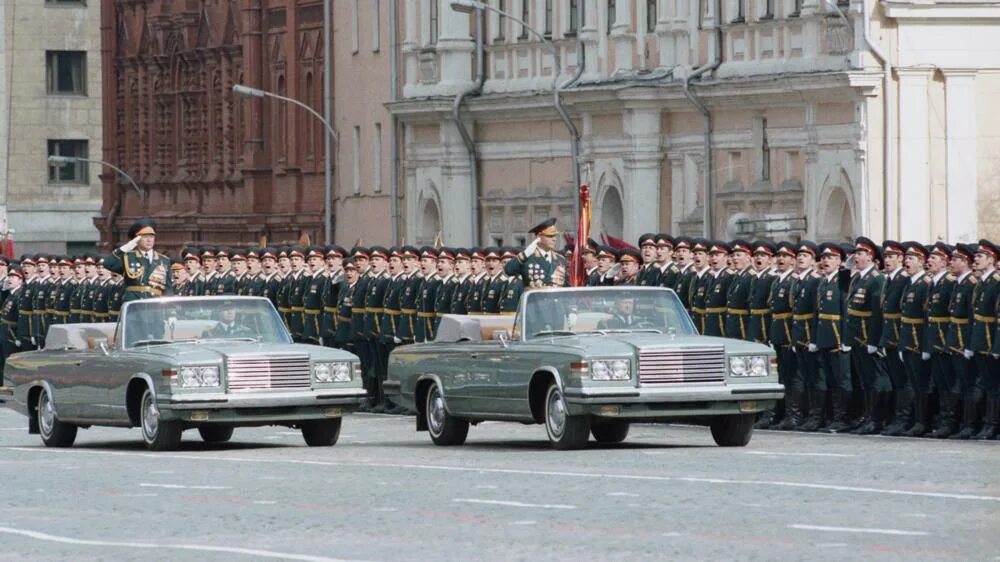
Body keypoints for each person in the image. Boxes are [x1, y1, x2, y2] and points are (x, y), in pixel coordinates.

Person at [845, 237, 889, 435]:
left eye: (861, 253)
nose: (856, 257)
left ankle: (877, 418)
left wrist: (874, 341)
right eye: (856, 253)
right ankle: (868, 415)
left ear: (870, 256)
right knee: (864, 379)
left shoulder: (877, 279)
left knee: (875, 378)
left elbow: (877, 314)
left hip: (867, 338)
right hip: (856, 338)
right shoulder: (858, 278)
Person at [814, 243, 853, 433]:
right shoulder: (824, 281)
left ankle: (844, 418)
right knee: (829, 380)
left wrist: (846, 339)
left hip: (838, 337)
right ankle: (832, 416)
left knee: (842, 380)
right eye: (823, 258)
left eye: (830, 258)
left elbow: (845, 311)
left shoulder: (842, 280)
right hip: (825, 337)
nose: (825, 261)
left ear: (840, 262)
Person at [924, 242, 958, 438]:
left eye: (934, 258)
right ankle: (943, 420)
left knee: (949, 383)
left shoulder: (949, 282)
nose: (929, 261)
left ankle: (950, 421)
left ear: (944, 262)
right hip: (935, 341)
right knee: (940, 383)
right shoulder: (935, 283)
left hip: (946, 340)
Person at [947, 244, 980, 439]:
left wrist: (968, 345)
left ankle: (970, 424)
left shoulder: (970, 284)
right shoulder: (959, 283)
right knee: (959, 384)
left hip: (965, 341)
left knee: (969, 384)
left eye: (956, 259)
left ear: (965, 262)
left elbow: (971, 318)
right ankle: (960, 422)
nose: (952, 262)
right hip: (955, 340)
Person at [967, 240, 999, 439]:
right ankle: (987, 423)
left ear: (991, 259)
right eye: (976, 256)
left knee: (995, 385)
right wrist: (971, 343)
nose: (975, 259)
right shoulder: (982, 282)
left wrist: (997, 345)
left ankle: (993, 424)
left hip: (990, 341)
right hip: (980, 340)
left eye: (980, 256)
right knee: (987, 384)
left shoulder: (996, 282)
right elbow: (974, 316)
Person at [879, 240, 911, 436]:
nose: (887, 260)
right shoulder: (889, 279)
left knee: (904, 381)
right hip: (889, 336)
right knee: (896, 380)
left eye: (892, 256)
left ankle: (904, 418)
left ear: (900, 259)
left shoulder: (904, 280)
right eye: (886, 256)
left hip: (901, 336)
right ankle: (896, 417)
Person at [103, 219, 172, 302]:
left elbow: (168, 289)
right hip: (134, 306)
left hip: (155, 307)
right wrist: (126, 247)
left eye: (151, 236)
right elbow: (108, 263)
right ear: (137, 239)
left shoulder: (164, 260)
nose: (149, 240)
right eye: (145, 237)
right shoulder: (128, 257)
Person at [504, 218, 568, 290]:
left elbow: (567, 286)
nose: (554, 239)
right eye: (550, 236)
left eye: (555, 236)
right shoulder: (528, 258)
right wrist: (525, 254)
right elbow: (508, 270)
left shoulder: (560, 259)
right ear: (539, 237)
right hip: (535, 300)